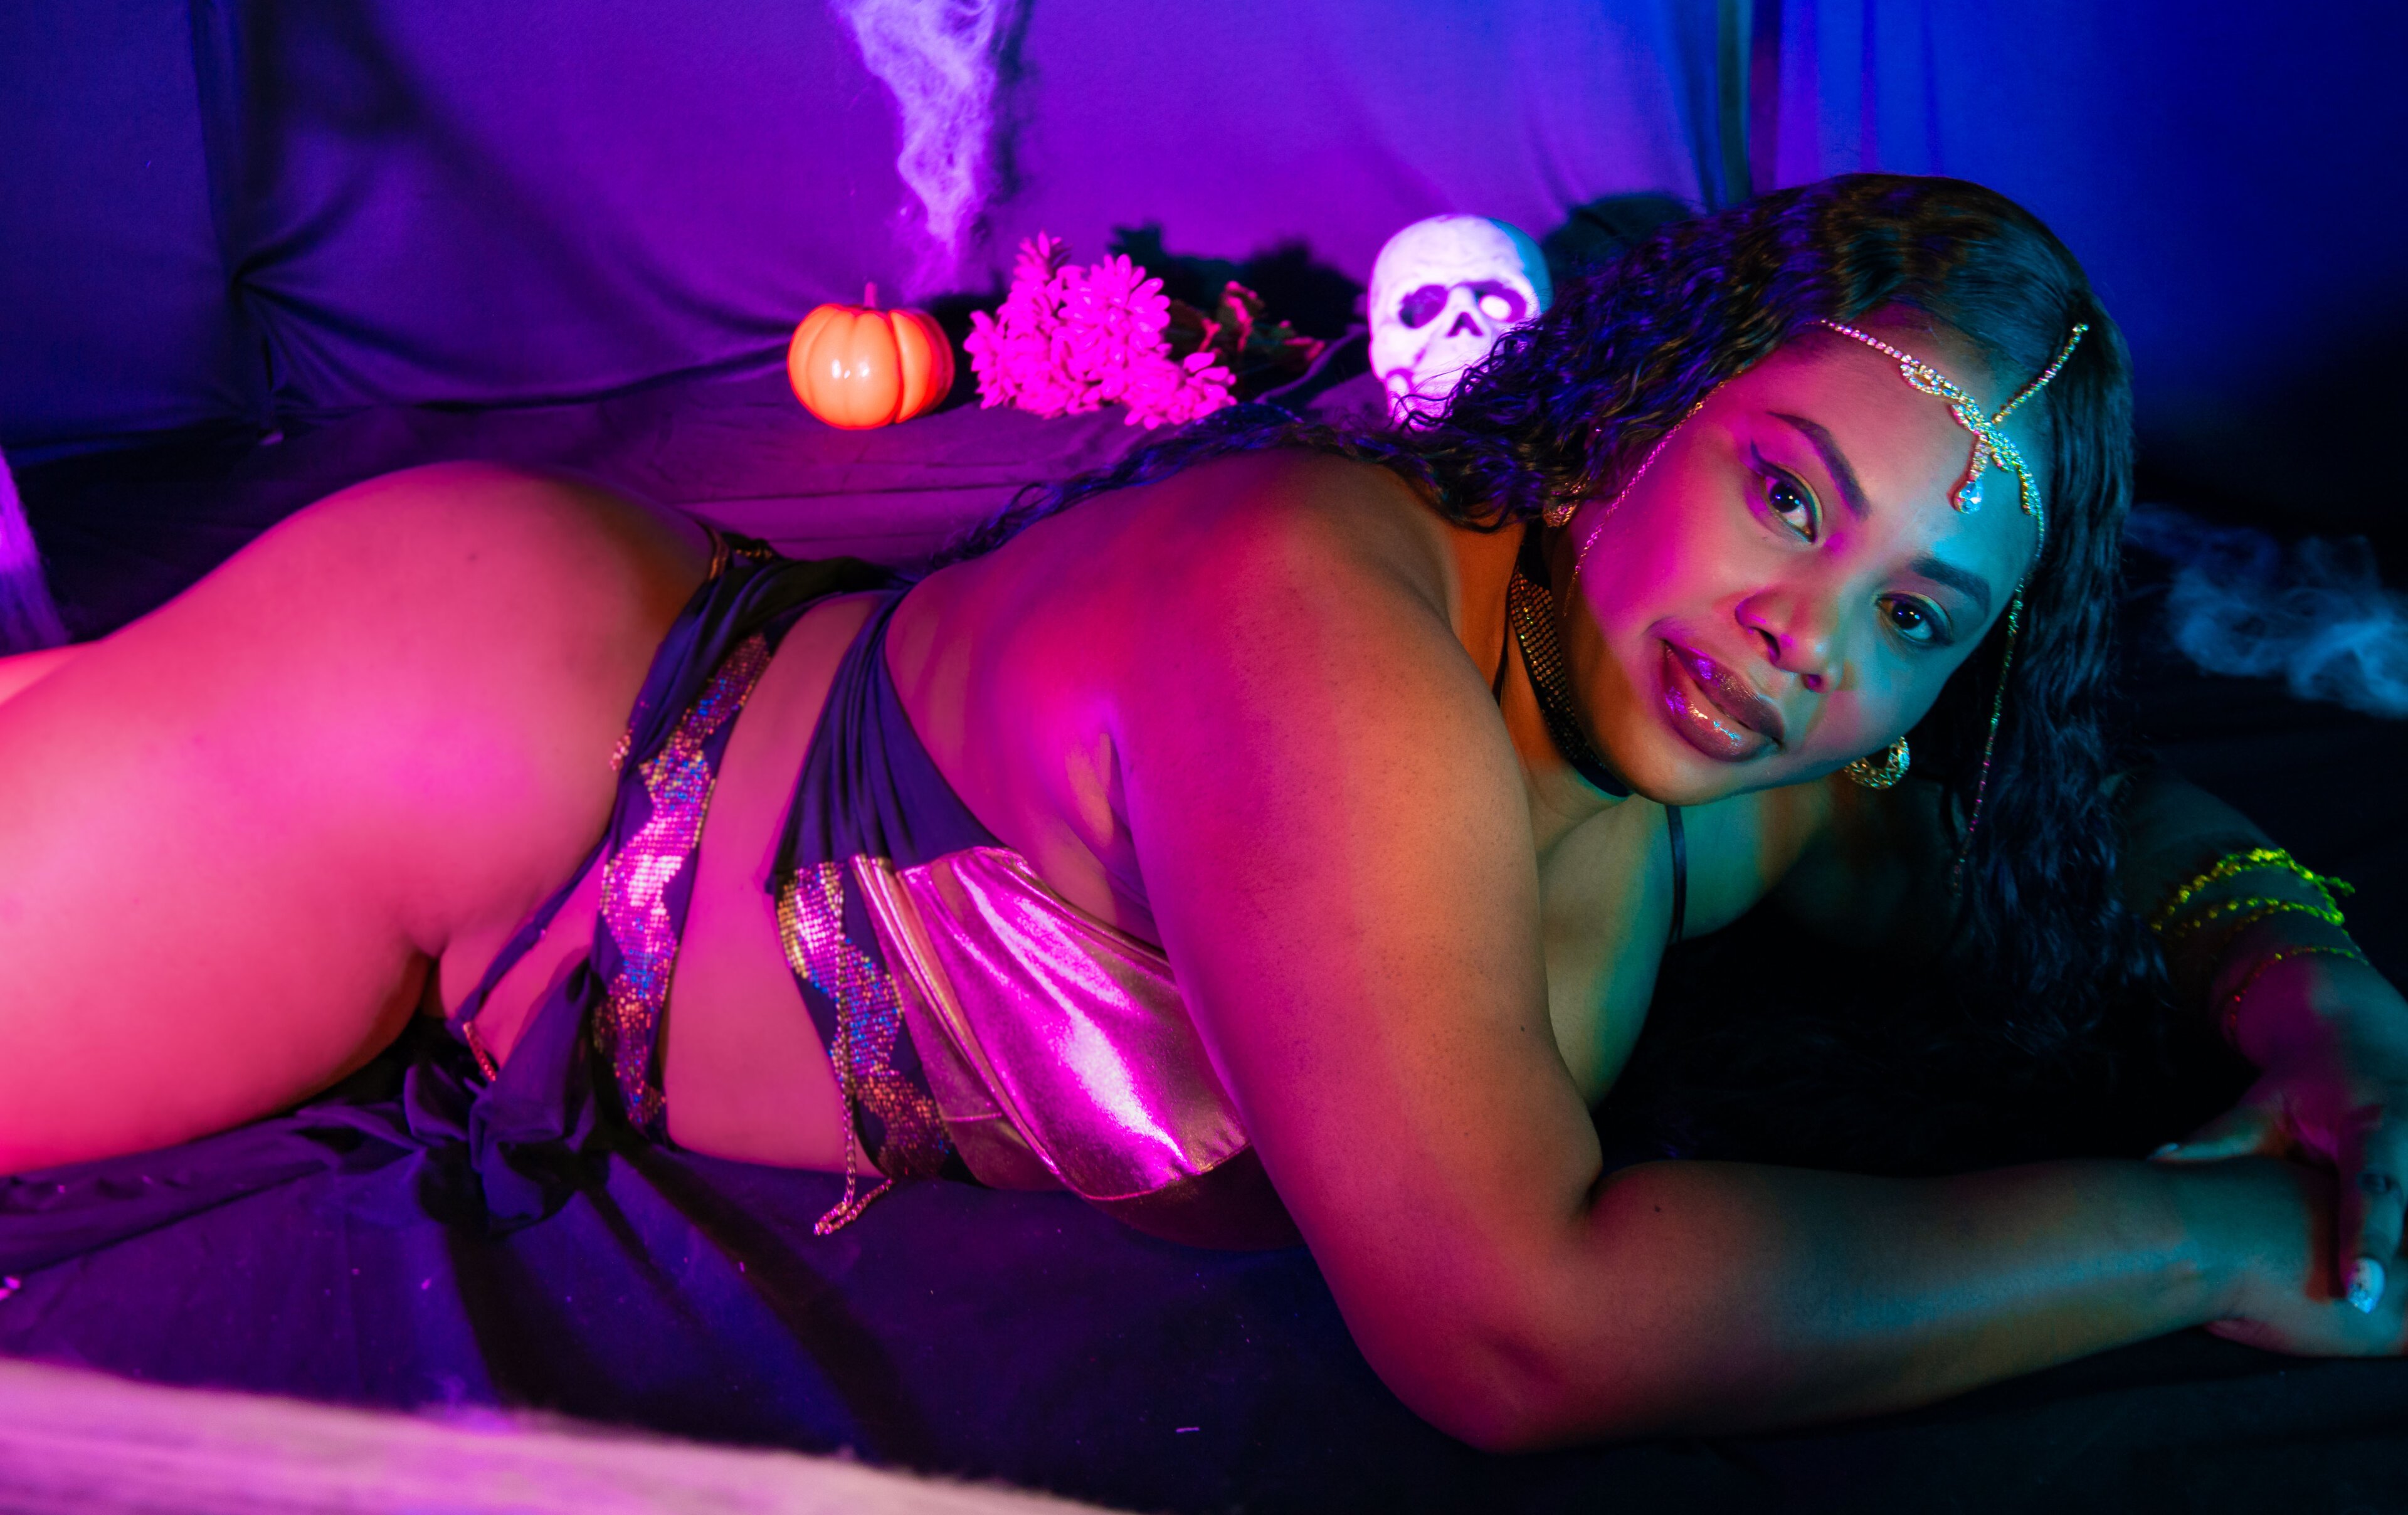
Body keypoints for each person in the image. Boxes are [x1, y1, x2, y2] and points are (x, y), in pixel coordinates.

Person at [1, 174, 2401, 1447]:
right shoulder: (1315, 621)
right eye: (1788, 493)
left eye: (1915, 615)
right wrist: (2220, 1243)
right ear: (1647, 418)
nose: (1808, 632)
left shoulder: (1733, 771)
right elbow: (1522, 1331)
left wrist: (2319, 993)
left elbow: (2114, 829)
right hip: (480, 761)